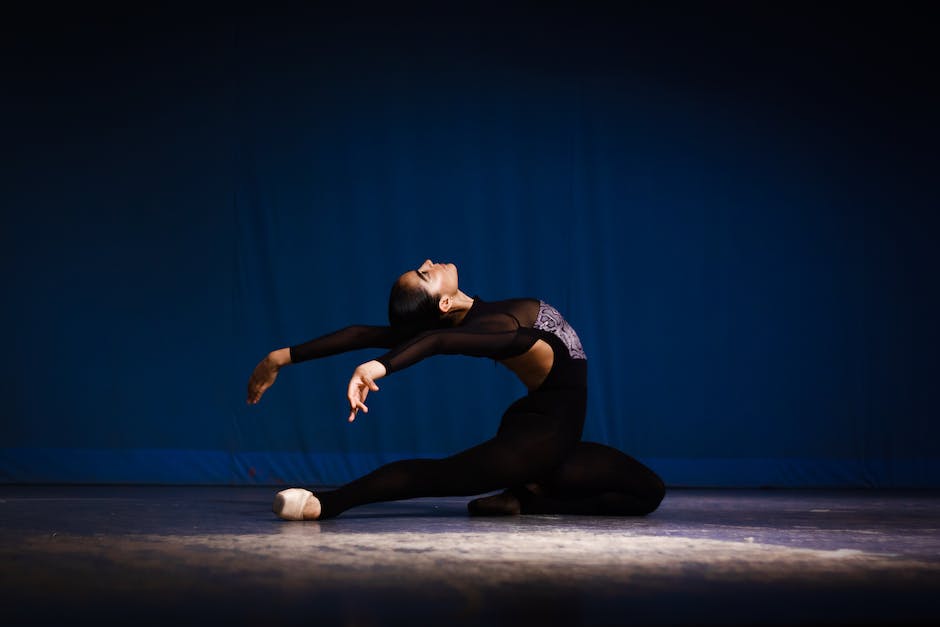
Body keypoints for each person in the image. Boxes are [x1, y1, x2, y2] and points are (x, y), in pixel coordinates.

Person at [246, 259, 665, 520]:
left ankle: (524, 499)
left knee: (649, 491)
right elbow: (434, 341)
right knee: (437, 476)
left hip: (542, 430)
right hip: (538, 441)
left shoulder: (476, 320)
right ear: (443, 304)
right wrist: (377, 366)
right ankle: (325, 504)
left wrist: (277, 358)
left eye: (422, 268)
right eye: (425, 275)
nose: (430, 262)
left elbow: (363, 333)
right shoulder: (493, 328)